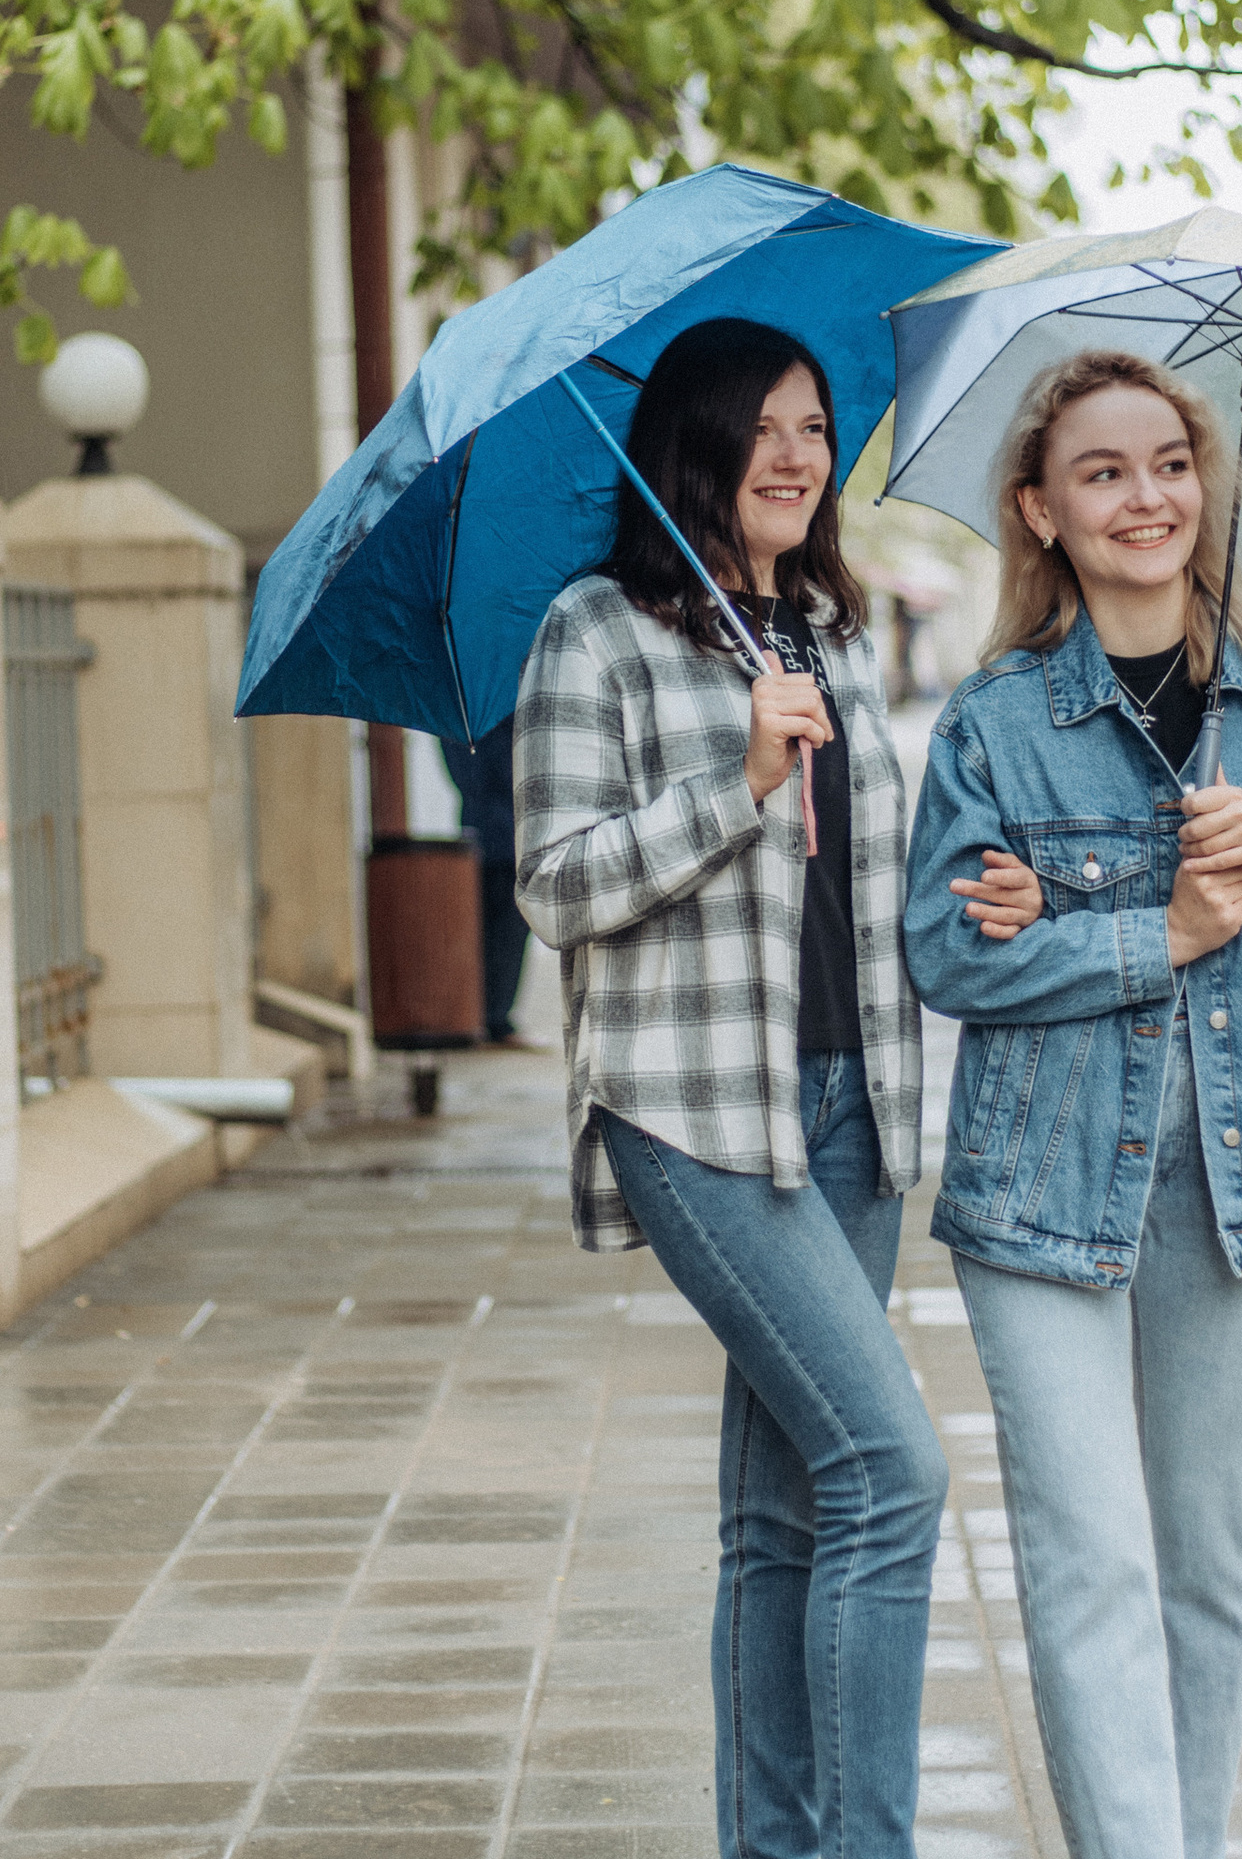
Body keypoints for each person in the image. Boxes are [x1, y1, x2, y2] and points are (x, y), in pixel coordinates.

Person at [904, 350, 1242, 1859]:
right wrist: (1152, 933)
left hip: (1240, 1185)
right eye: (1103, 472)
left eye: (1170, 464)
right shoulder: (994, 722)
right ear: (1039, 510)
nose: (1145, 498)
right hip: (1041, 1186)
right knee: (1090, 1559)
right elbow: (945, 952)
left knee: (1205, 1566)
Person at [514, 317, 979, 1859]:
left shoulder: (833, 631)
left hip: (854, 1106)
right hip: (696, 1108)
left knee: (785, 1513)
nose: (798, 456)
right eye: (765, 427)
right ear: (695, 444)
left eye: (816, 428)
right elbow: (555, 885)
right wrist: (739, 786)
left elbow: (859, 881)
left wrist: (990, 895)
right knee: (892, 1472)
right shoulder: (596, 632)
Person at [438, 722, 535, 1043]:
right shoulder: (498, 718)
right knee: (504, 929)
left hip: (483, 832)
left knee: (491, 929)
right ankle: (492, 1019)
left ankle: (485, 1017)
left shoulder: (460, 720)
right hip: (505, 833)